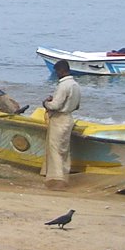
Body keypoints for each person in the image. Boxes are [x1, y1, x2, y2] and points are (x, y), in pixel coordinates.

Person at [41, 59, 81, 190]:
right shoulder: (75, 85)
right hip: (69, 118)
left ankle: (56, 180)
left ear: (62, 71)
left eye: (57, 71)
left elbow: (56, 105)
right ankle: (64, 176)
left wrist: (46, 103)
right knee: (64, 150)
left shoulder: (63, 85)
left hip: (59, 119)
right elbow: (77, 105)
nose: (57, 74)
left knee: (55, 150)